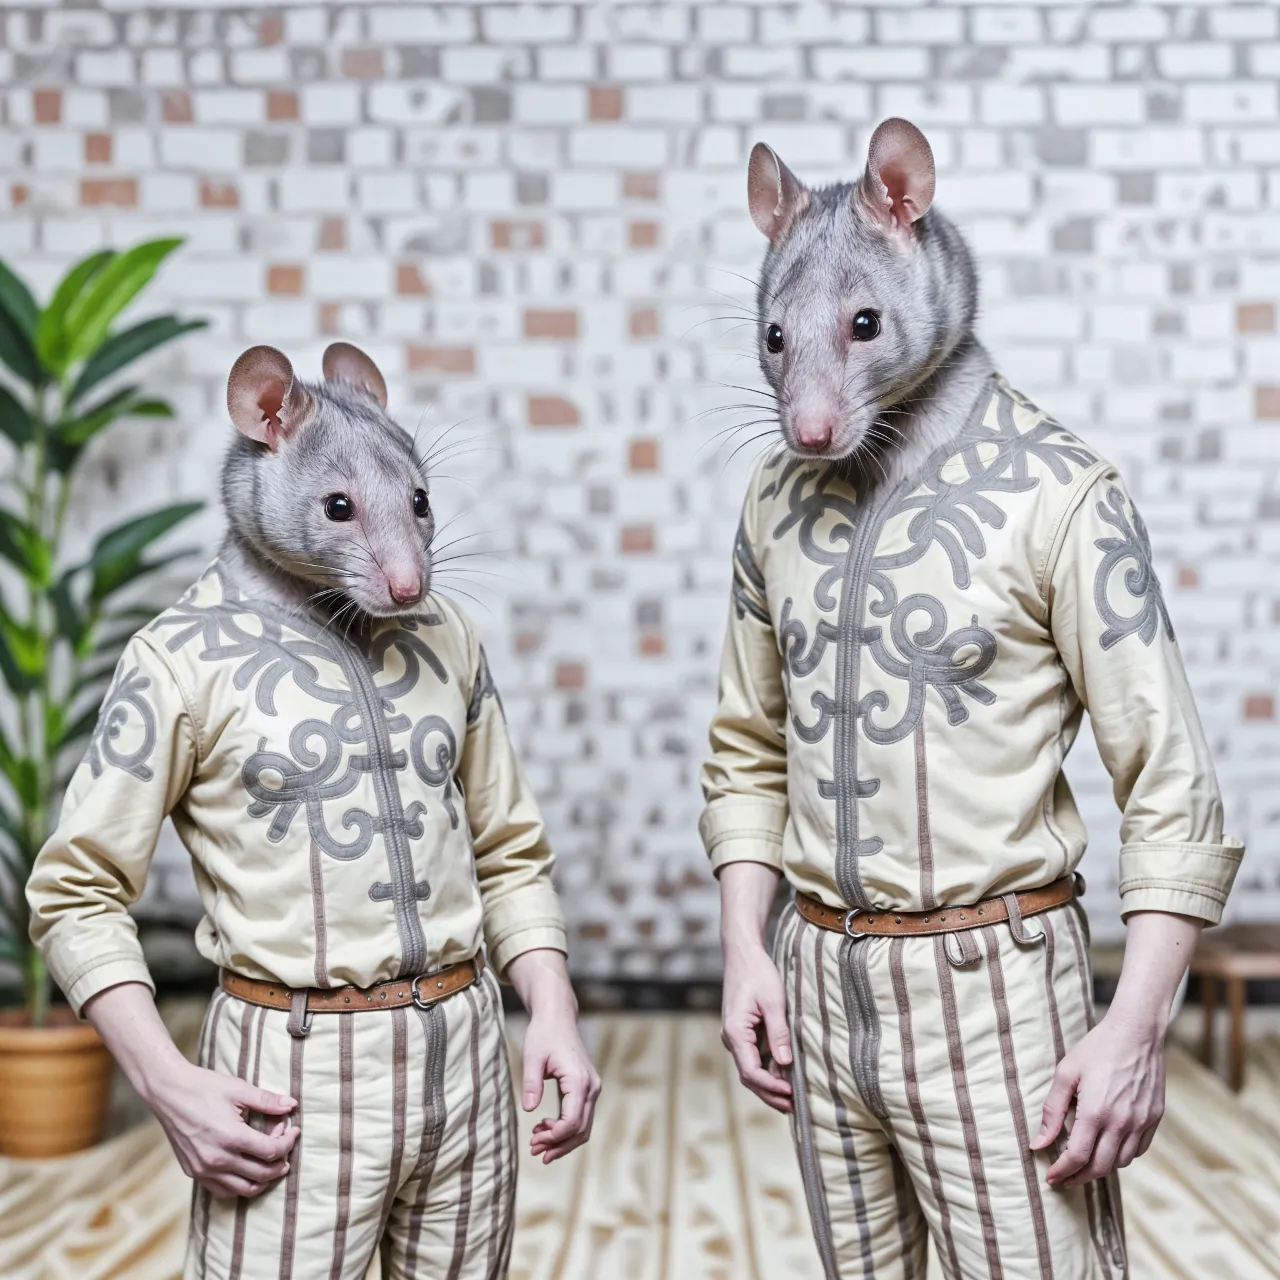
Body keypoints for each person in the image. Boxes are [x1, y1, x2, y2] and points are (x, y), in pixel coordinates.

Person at [703, 120, 1244, 1279]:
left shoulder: (1058, 489)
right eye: (782, 347)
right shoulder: (772, 499)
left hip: (994, 993)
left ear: (913, 207)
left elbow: (1172, 786)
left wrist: (1136, 1022)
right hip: (817, 989)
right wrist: (744, 946)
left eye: (856, 334)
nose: (809, 409)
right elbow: (747, 745)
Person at [27, 345, 600, 1280]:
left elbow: (508, 849)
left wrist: (554, 1009)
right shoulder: (180, 657)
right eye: (343, 511)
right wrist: (166, 1083)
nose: (408, 574)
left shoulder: (445, 635)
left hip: (467, 1064)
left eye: (414, 506)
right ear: (263, 420)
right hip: (287, 1080)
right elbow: (73, 892)